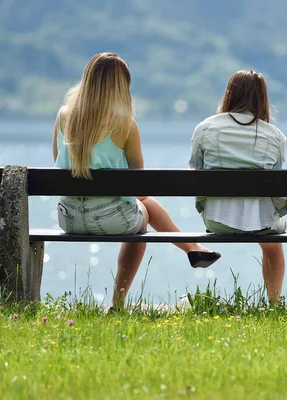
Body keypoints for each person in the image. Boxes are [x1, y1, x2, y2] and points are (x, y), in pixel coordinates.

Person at [52, 52, 221, 310]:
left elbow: (59, 165)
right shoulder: (125, 124)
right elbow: (138, 182)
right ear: (122, 87)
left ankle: (193, 249)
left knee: (143, 206)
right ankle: (119, 303)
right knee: (145, 212)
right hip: (111, 217)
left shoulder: (64, 115)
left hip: (69, 217)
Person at [189, 69, 287, 305]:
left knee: (259, 219)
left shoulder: (205, 128)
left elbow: (195, 172)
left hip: (217, 221)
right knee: (273, 239)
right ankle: (275, 303)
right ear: (262, 98)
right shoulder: (275, 136)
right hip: (262, 225)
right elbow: (276, 186)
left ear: (229, 94)